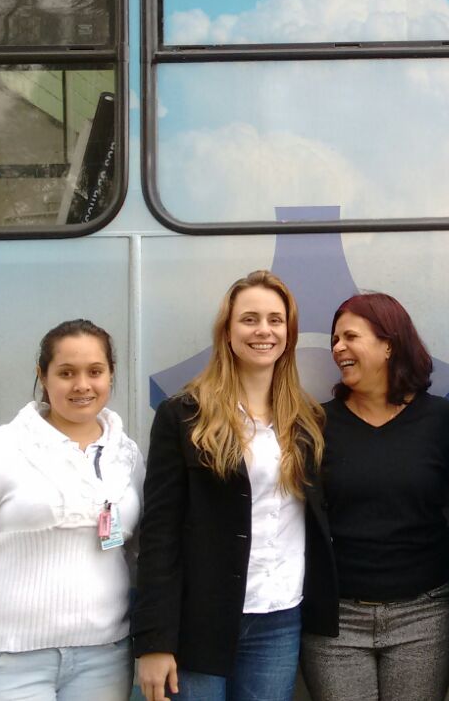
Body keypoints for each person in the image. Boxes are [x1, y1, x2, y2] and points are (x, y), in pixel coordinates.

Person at [133, 270, 338, 701]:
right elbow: (159, 535)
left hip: (279, 618)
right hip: (200, 621)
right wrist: (154, 640)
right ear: (227, 332)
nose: (263, 330)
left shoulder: (306, 420)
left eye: (275, 320)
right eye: (249, 319)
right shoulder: (184, 416)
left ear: (289, 333)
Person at [0, 319, 142, 701]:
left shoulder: (127, 457)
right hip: (9, 665)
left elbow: (141, 555)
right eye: (66, 373)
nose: (82, 385)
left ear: (111, 375)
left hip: (105, 661)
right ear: (42, 377)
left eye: (95, 372)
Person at [299, 292, 449, 701]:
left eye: (350, 336)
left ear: (389, 344)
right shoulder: (316, 423)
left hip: (423, 614)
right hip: (336, 620)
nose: (337, 348)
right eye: (335, 339)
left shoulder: (439, 419)